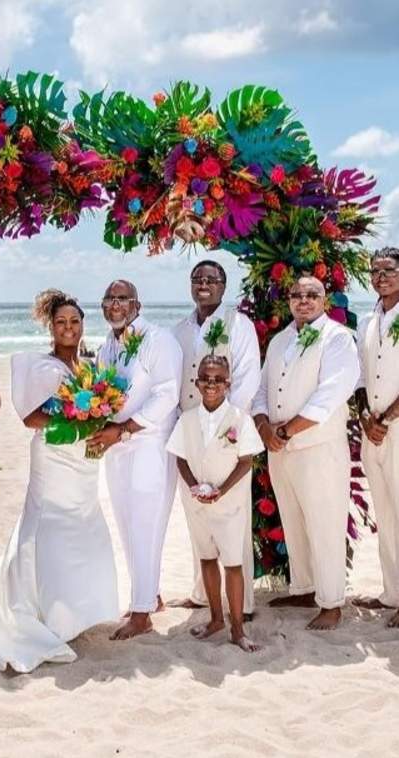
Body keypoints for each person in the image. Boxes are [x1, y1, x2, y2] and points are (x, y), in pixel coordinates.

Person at [0, 290, 118, 672]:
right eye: (61, 322)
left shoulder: (91, 367)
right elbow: (31, 418)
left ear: (84, 325)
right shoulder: (41, 367)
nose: (68, 328)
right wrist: (75, 417)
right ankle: (39, 611)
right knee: (48, 530)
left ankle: (70, 612)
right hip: (53, 459)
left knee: (81, 530)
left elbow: (102, 409)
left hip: (84, 462)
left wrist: (95, 418)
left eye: (74, 322)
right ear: (51, 327)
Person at [252, 276, 359, 630]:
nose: (304, 300)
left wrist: (286, 430)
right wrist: (265, 426)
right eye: (297, 295)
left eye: (312, 295)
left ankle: (331, 602)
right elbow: (262, 389)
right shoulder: (281, 338)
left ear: (324, 300)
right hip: (280, 448)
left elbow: (331, 394)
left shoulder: (338, 338)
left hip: (318, 448)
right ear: (289, 301)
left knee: (325, 523)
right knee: (293, 519)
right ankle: (303, 587)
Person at [90, 279, 182, 640]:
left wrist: (125, 428)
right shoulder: (106, 347)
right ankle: (150, 594)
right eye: (109, 298)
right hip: (118, 445)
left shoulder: (158, 341)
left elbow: (166, 395)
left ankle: (142, 613)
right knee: (128, 526)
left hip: (149, 444)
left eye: (123, 299)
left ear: (137, 305)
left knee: (146, 525)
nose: (115, 304)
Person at [172, 260, 261, 615]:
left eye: (211, 279)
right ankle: (202, 595)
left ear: (224, 286)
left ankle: (242, 604)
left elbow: (247, 378)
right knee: (197, 512)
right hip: (191, 434)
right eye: (197, 279)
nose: (203, 284)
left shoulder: (239, 325)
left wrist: (225, 426)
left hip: (228, 434)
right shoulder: (180, 329)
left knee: (232, 515)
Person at [166, 355, 263, 652]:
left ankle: (237, 628)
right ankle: (216, 619)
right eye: (206, 379)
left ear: (228, 384)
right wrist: (193, 485)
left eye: (218, 379)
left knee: (233, 564)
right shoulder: (187, 419)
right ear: (196, 383)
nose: (211, 385)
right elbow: (180, 457)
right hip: (197, 503)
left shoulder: (239, 419)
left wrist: (221, 490)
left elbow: (247, 461)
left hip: (229, 504)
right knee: (206, 558)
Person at [353, 247, 399, 625]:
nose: (380, 276)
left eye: (389, 270)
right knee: (384, 511)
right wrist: (366, 417)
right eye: (375, 270)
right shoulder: (369, 321)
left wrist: (387, 416)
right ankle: (392, 592)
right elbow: (360, 378)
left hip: (397, 427)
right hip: (374, 432)